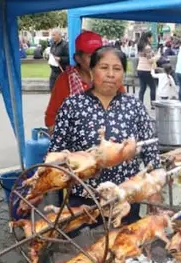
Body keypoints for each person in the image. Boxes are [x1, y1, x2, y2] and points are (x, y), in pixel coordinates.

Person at [49, 46, 160, 224]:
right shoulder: (72, 105)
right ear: (92, 71)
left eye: (117, 69)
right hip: (83, 199)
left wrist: (154, 189)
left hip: (125, 197)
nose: (110, 74)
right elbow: (56, 151)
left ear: (123, 73)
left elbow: (151, 152)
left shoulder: (134, 106)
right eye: (104, 68)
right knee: (86, 246)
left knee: (123, 245)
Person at [44, 31, 125, 132]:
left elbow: (124, 110)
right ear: (78, 58)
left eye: (100, 56)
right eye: (91, 57)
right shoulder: (65, 80)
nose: (97, 61)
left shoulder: (111, 77)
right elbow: (51, 119)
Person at [137, 32, 157, 107]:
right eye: (152, 37)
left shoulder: (140, 46)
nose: (152, 39)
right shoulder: (147, 47)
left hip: (140, 69)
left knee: (142, 88)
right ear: (148, 38)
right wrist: (157, 57)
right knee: (153, 87)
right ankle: (153, 105)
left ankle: (140, 105)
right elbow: (150, 60)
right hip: (146, 70)